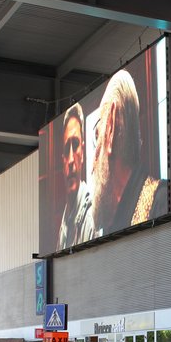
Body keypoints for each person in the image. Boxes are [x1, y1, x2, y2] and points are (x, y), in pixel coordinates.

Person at [90, 69, 167, 236]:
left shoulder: (159, 200)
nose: (92, 164)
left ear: (111, 130)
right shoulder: (110, 220)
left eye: (97, 135)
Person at [57, 102, 95, 250]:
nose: (71, 159)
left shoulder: (92, 215)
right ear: (62, 161)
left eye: (76, 145)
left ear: (83, 152)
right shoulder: (65, 222)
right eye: (67, 149)